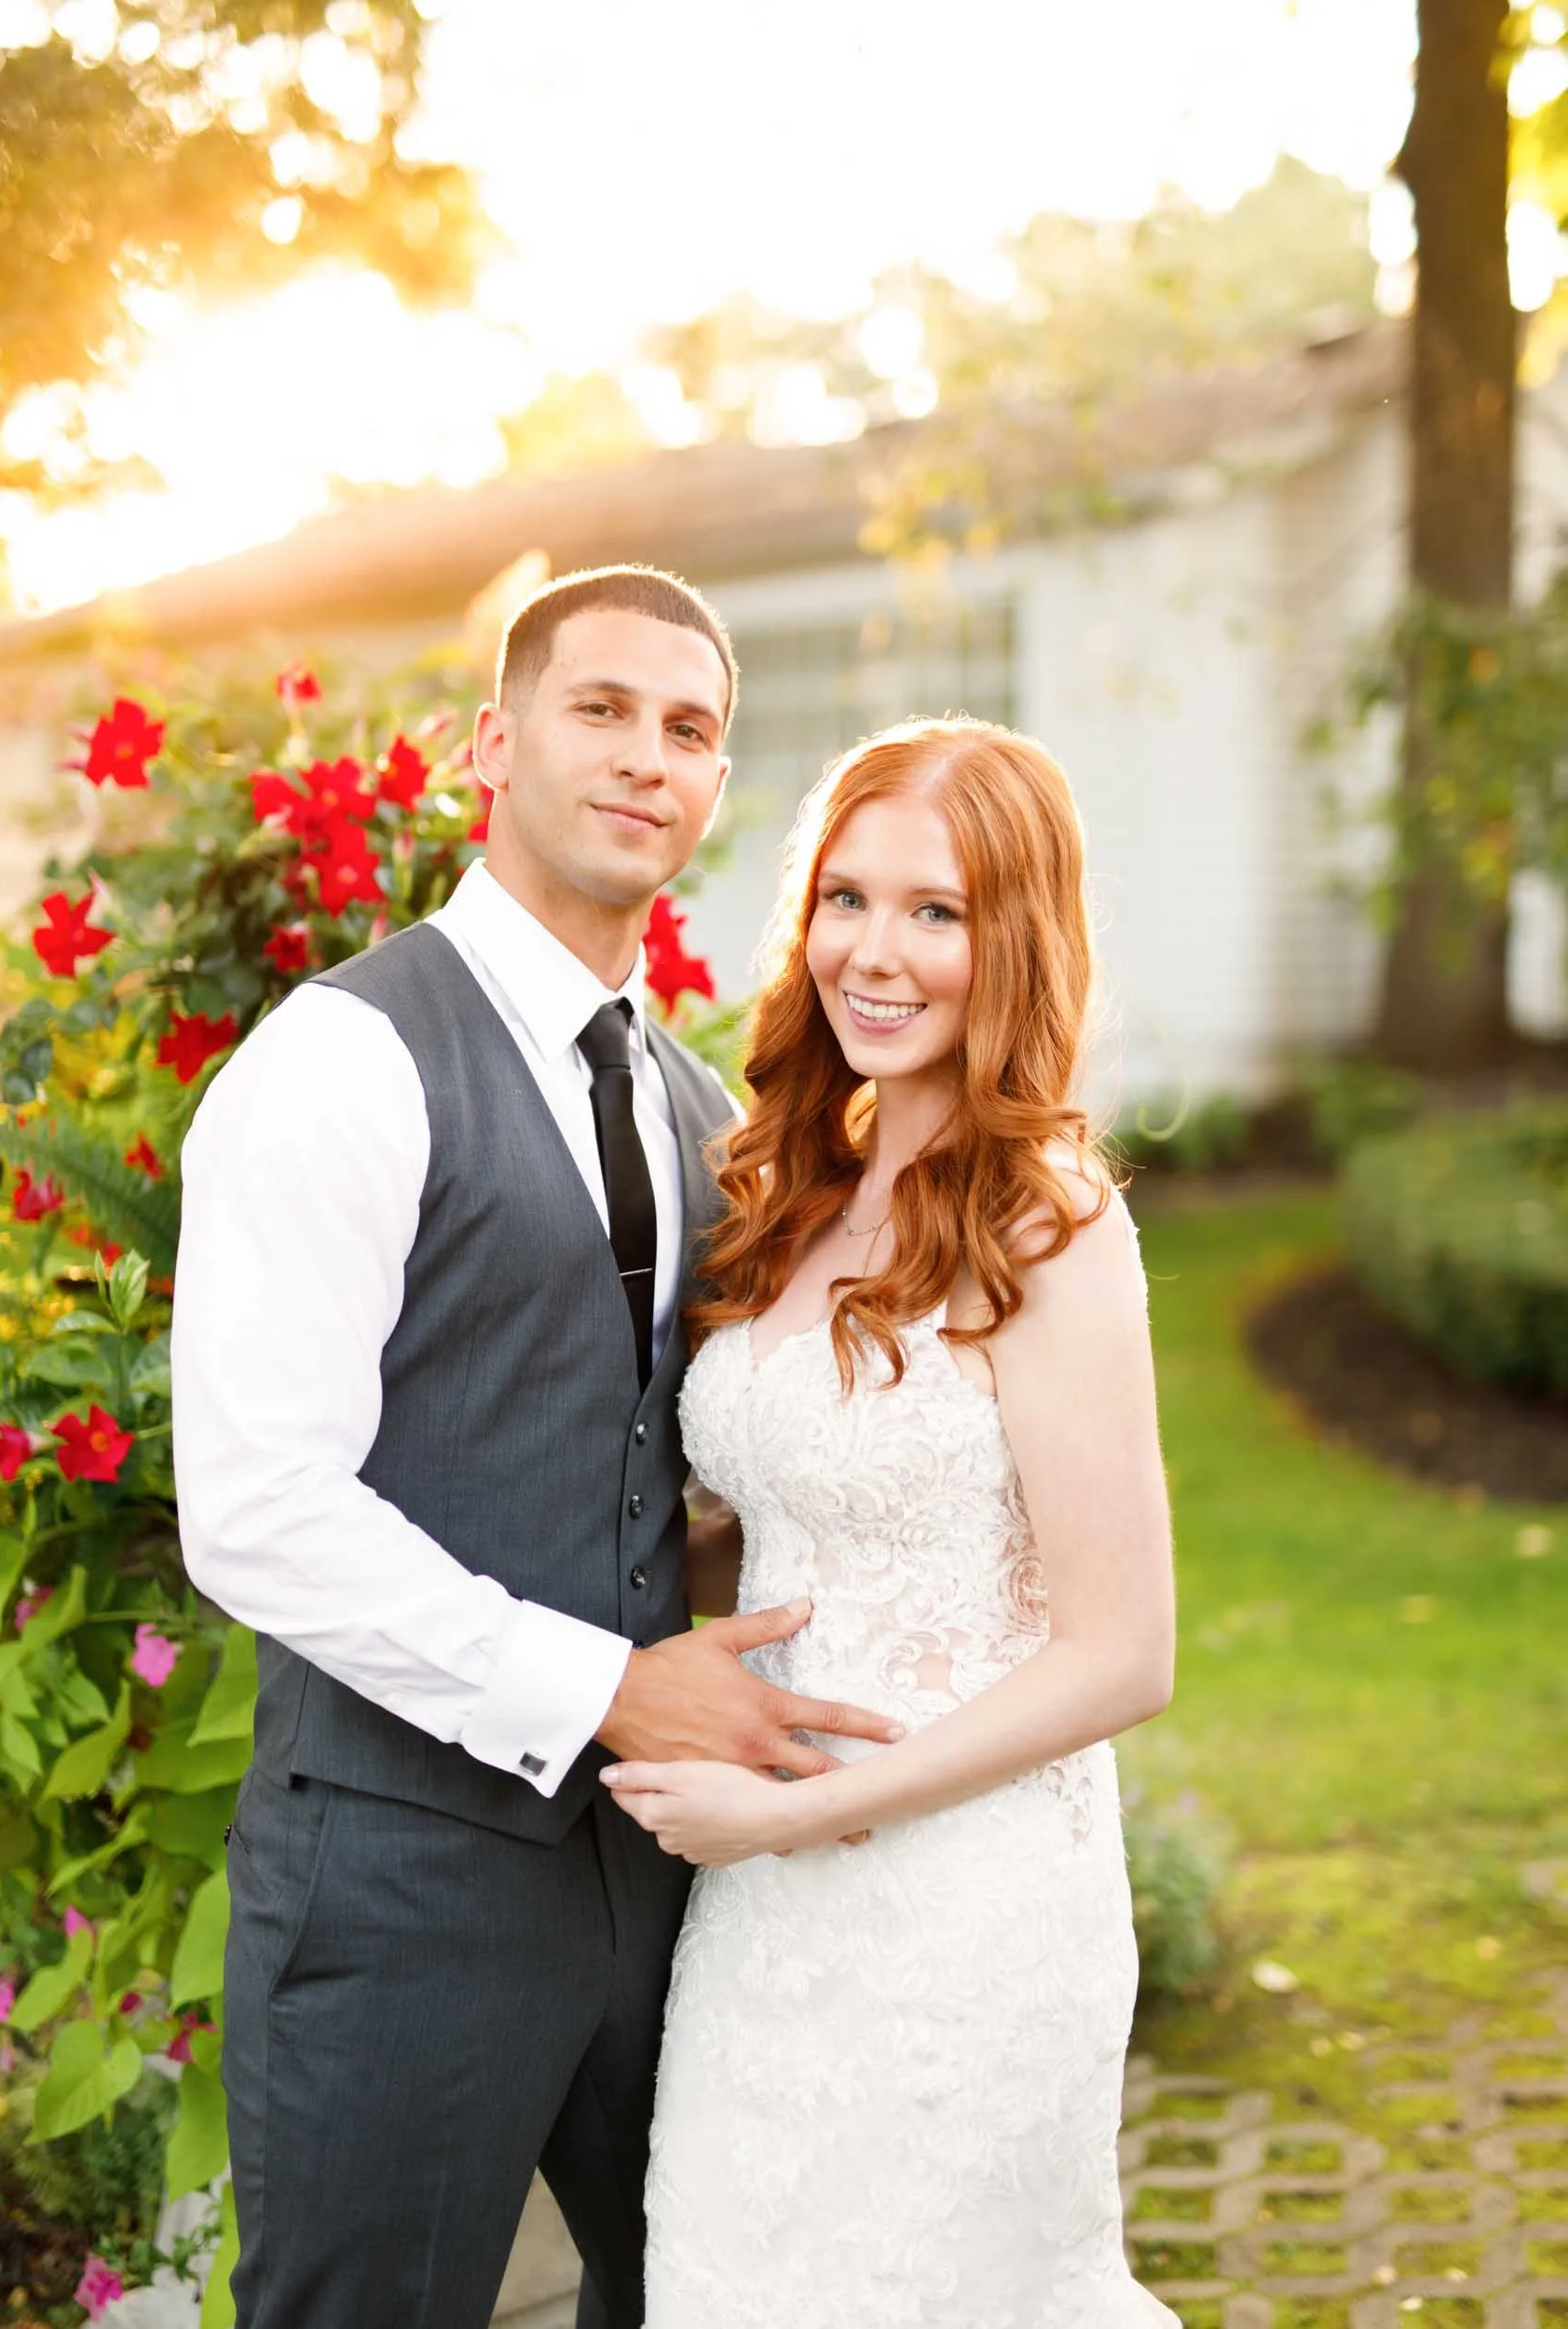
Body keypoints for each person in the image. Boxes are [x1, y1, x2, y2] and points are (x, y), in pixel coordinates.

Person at [170, 565, 904, 2329]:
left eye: (691, 730)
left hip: (665, 1877)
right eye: (602, 710)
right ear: (492, 742)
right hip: (403, 1887)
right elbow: (257, 1511)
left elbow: (661, 1450)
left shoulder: (694, 1098)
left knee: (700, 2298)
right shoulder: (341, 1061)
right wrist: (601, 1687)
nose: (648, 757)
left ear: (718, 786)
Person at [602, 715, 1180, 2329]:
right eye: (845, 898)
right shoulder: (790, 1195)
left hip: (965, 1900)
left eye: (935, 910)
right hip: (763, 1909)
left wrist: (793, 1817)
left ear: (1017, 939)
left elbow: (1124, 1653)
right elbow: (795, 1509)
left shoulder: (1048, 1224)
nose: (877, 951)